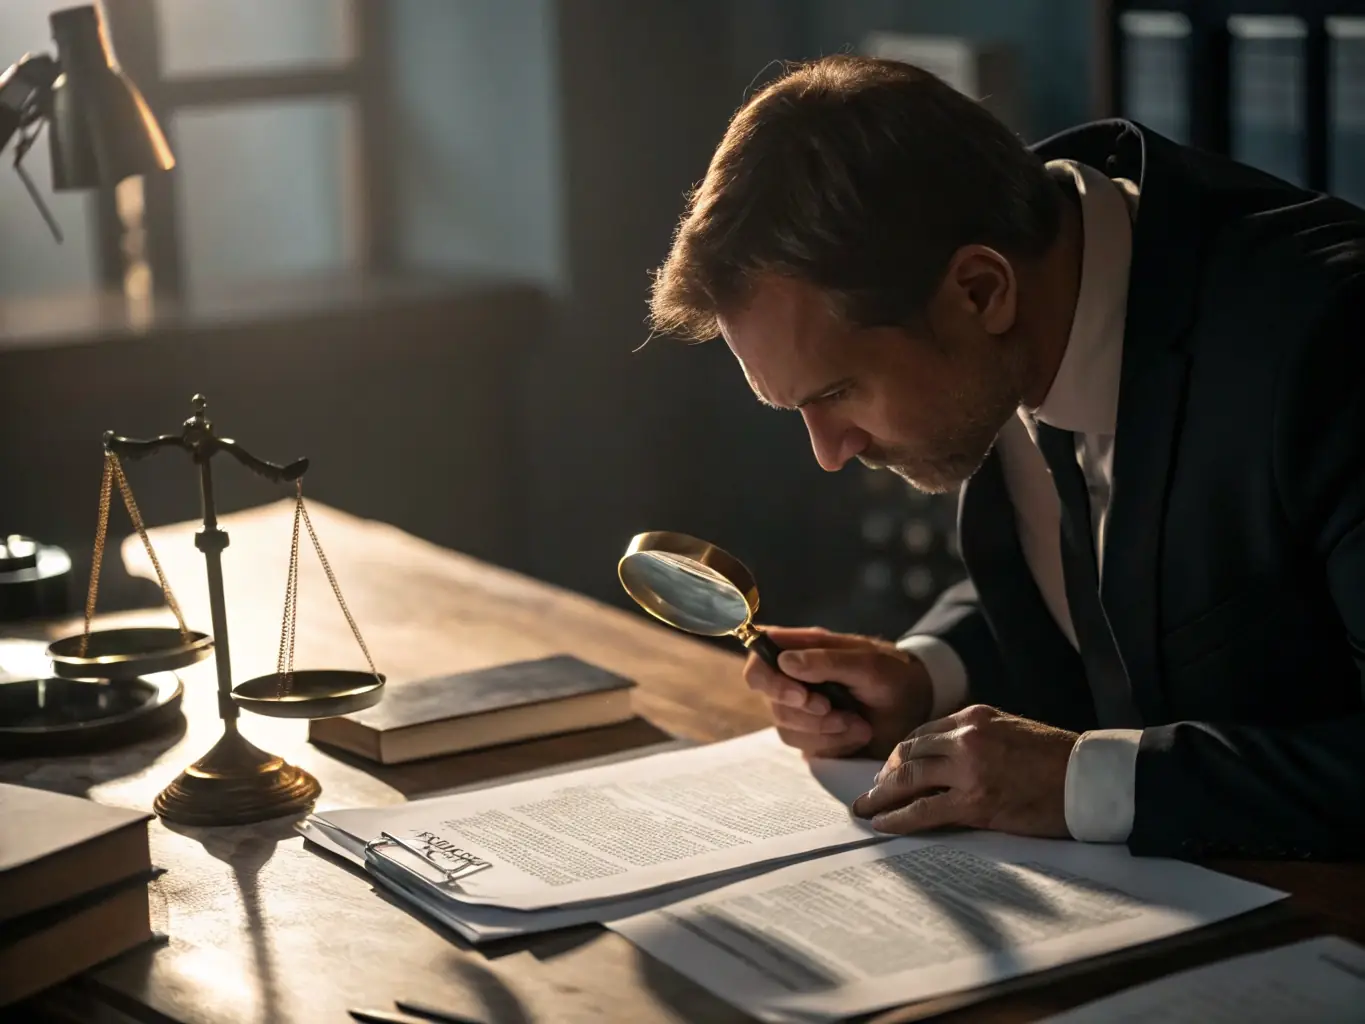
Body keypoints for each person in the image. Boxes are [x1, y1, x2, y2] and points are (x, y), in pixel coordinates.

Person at [646, 55, 1365, 860]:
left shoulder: (1330, 343)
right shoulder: (1028, 280)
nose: (828, 451)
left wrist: (1076, 783)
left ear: (978, 291)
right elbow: (1098, 578)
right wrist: (925, 678)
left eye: (839, 391)